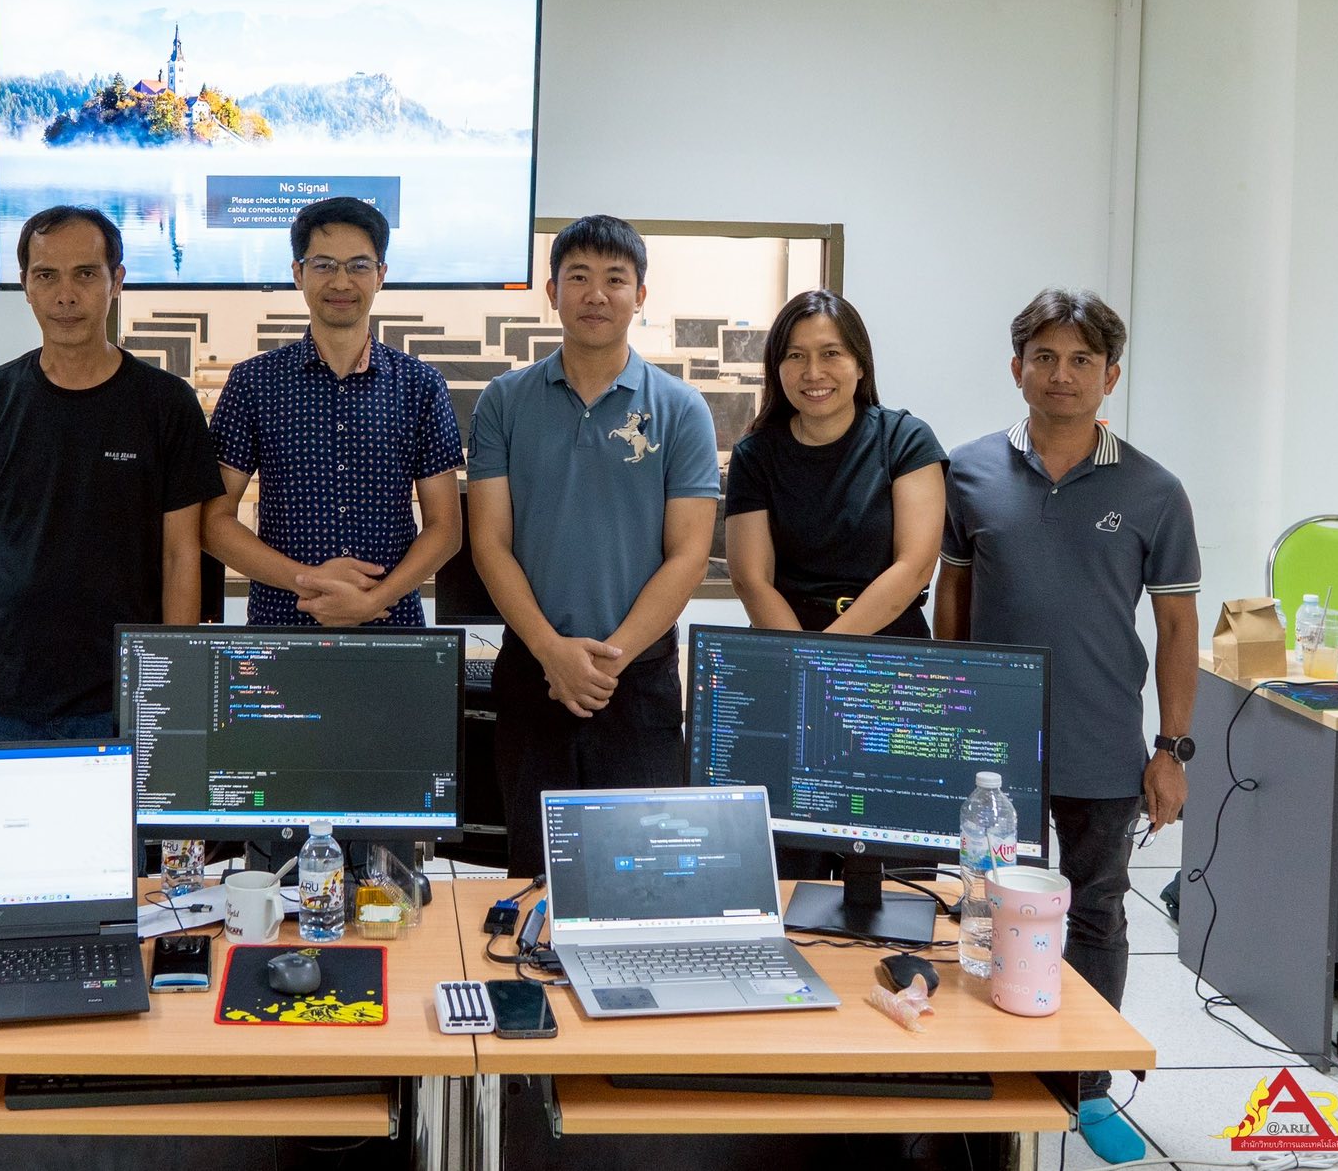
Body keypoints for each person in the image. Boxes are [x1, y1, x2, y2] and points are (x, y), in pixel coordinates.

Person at [936, 288, 1200, 1166]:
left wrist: (1171, 751)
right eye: (1044, 357)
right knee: (983, 908)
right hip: (992, 747)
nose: (1062, 374)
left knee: (1096, 909)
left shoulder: (1155, 490)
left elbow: (1176, 628)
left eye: (1082, 359)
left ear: (1110, 376)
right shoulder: (967, 471)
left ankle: (1084, 1084)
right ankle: (991, 1065)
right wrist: (949, 707)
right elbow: (952, 597)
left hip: (1101, 738)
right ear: (1017, 368)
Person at [467, 214, 719, 876]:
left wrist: (608, 661)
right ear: (552, 292)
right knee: (536, 873)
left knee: (646, 879)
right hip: (533, 671)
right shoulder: (503, 402)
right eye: (578, 277)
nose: (596, 295)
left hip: (638, 679)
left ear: (641, 295)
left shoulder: (681, 409)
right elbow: (489, 543)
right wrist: (552, 651)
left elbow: (689, 554)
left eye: (615, 279)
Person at [0, 205, 221, 742]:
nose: (66, 295)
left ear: (116, 281)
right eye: (47, 276)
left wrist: (171, 688)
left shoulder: (166, 404)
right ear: (26, 286)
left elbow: (181, 555)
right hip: (4, 699)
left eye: (86, 274)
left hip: (124, 696)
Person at [204, 196, 463, 627]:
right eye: (323, 265)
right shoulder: (253, 383)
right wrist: (308, 581)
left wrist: (372, 600)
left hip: (392, 628)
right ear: (298, 273)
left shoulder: (420, 385)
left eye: (359, 266)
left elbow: (446, 529)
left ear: (381, 275)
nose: (341, 282)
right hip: (282, 626)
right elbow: (214, 523)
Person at [724, 289, 946, 638]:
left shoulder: (905, 440)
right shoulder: (754, 455)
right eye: (795, 356)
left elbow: (914, 567)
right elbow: (751, 581)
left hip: (889, 643)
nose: (813, 372)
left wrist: (824, 653)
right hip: (786, 641)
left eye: (831, 353)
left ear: (860, 364)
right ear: (776, 368)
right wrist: (803, 656)